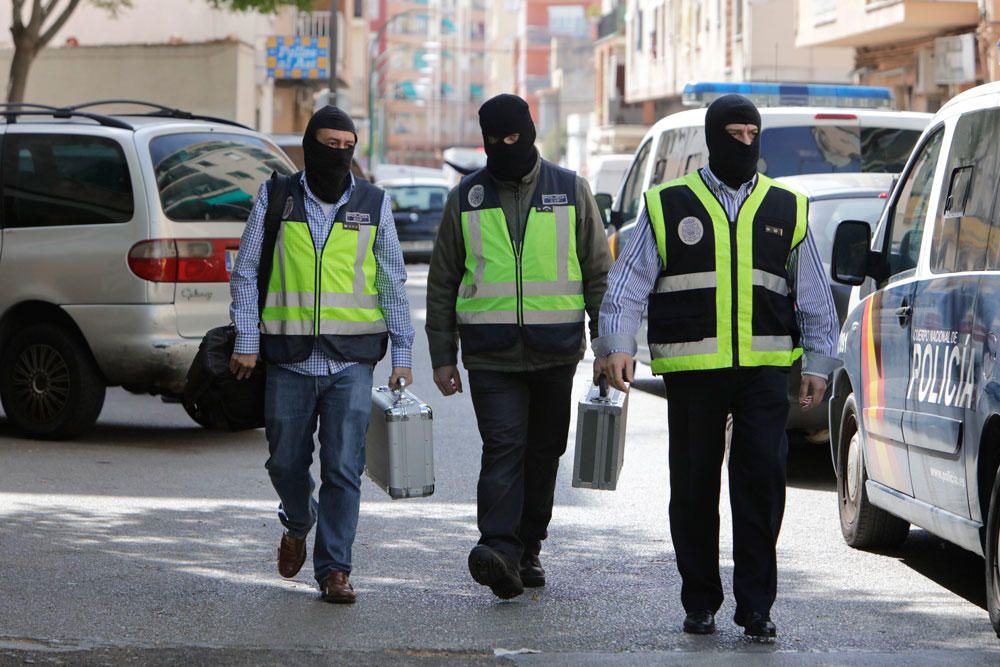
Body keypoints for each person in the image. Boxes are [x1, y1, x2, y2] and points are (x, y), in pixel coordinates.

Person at [594, 94, 839, 640]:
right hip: (693, 371)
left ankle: (756, 607)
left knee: (761, 488)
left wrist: (819, 362)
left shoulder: (787, 207)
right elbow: (628, 282)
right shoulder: (666, 204)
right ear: (713, 137)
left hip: (765, 371)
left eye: (753, 135)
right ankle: (699, 599)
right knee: (694, 488)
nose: (745, 143)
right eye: (735, 134)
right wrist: (615, 343)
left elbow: (816, 295)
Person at [426, 94, 612, 599]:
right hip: (491, 354)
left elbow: (598, 275)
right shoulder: (467, 196)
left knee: (545, 453)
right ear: (483, 140)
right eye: (494, 141)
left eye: (514, 138)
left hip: (556, 351)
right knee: (504, 448)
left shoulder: (571, 190)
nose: (505, 147)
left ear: (529, 133)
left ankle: (529, 546)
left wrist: (607, 347)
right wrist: (442, 356)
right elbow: (442, 281)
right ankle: (498, 549)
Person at [228, 106, 414, 604]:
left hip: (351, 361)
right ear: (309, 146)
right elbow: (246, 274)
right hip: (288, 358)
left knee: (342, 468)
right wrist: (247, 340)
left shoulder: (374, 203)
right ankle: (297, 519)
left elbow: (392, 279)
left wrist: (403, 351)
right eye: (328, 144)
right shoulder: (276, 197)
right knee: (284, 463)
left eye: (346, 145)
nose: (338, 154)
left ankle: (335, 570)